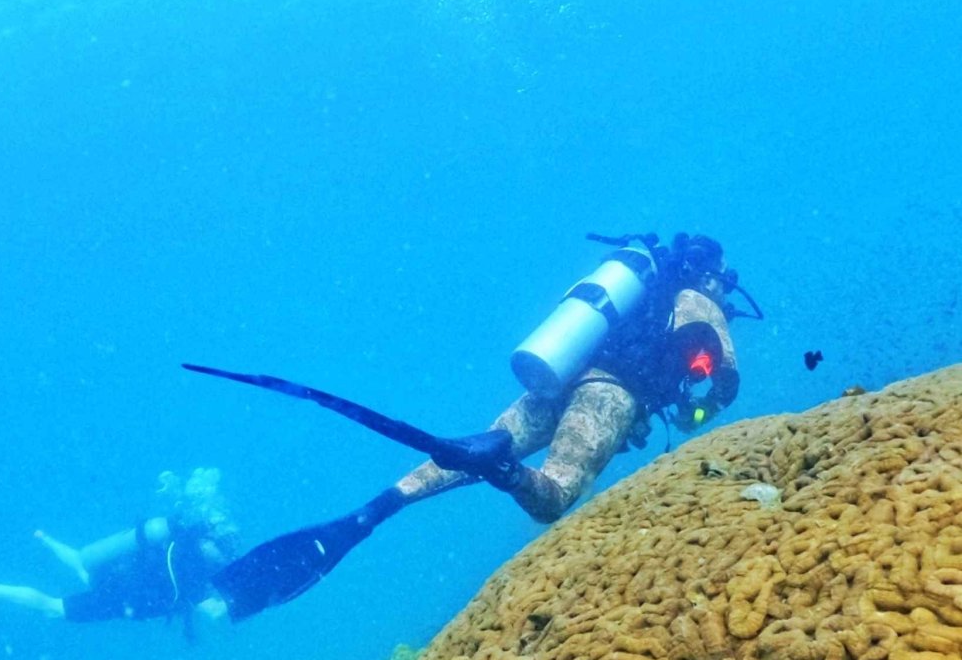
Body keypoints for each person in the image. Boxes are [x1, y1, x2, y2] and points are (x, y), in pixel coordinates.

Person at [185, 230, 761, 622]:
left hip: (553, 377)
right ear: (712, 276)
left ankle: (379, 507)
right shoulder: (697, 299)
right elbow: (725, 382)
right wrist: (698, 413)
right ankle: (503, 468)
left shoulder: (633, 287)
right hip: (610, 394)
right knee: (553, 493)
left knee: (467, 448)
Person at [0, 468, 242, 653]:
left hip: (120, 577)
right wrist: (247, 600)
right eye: (224, 552)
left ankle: (45, 539)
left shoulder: (178, 547)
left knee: (81, 563)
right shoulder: (193, 570)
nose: (224, 561)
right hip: (124, 597)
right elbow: (212, 613)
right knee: (52, 608)